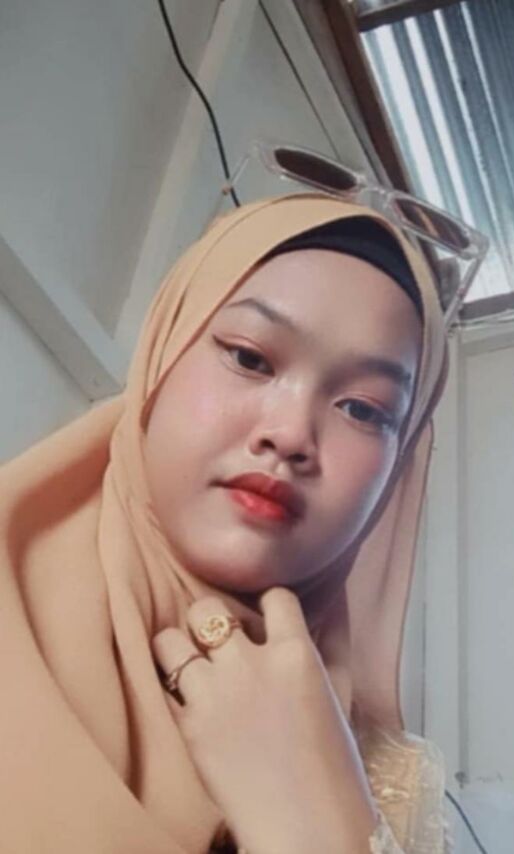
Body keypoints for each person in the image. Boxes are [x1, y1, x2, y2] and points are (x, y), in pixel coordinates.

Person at [0, 193, 451, 853]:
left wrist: (320, 825)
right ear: (161, 357)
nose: (290, 434)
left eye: (364, 409)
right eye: (249, 358)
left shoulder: (393, 787)